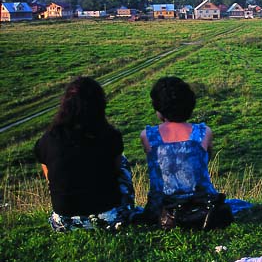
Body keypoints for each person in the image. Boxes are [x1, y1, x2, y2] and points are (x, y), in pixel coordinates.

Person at [34, 76, 135, 231]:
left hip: (64, 222)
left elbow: (50, 179)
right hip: (109, 218)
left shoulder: (48, 140)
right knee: (123, 161)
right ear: (100, 105)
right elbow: (116, 171)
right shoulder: (110, 136)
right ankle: (126, 210)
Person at [138, 76, 231, 226]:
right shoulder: (203, 132)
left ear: (159, 108)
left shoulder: (147, 136)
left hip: (162, 210)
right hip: (202, 206)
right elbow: (207, 159)